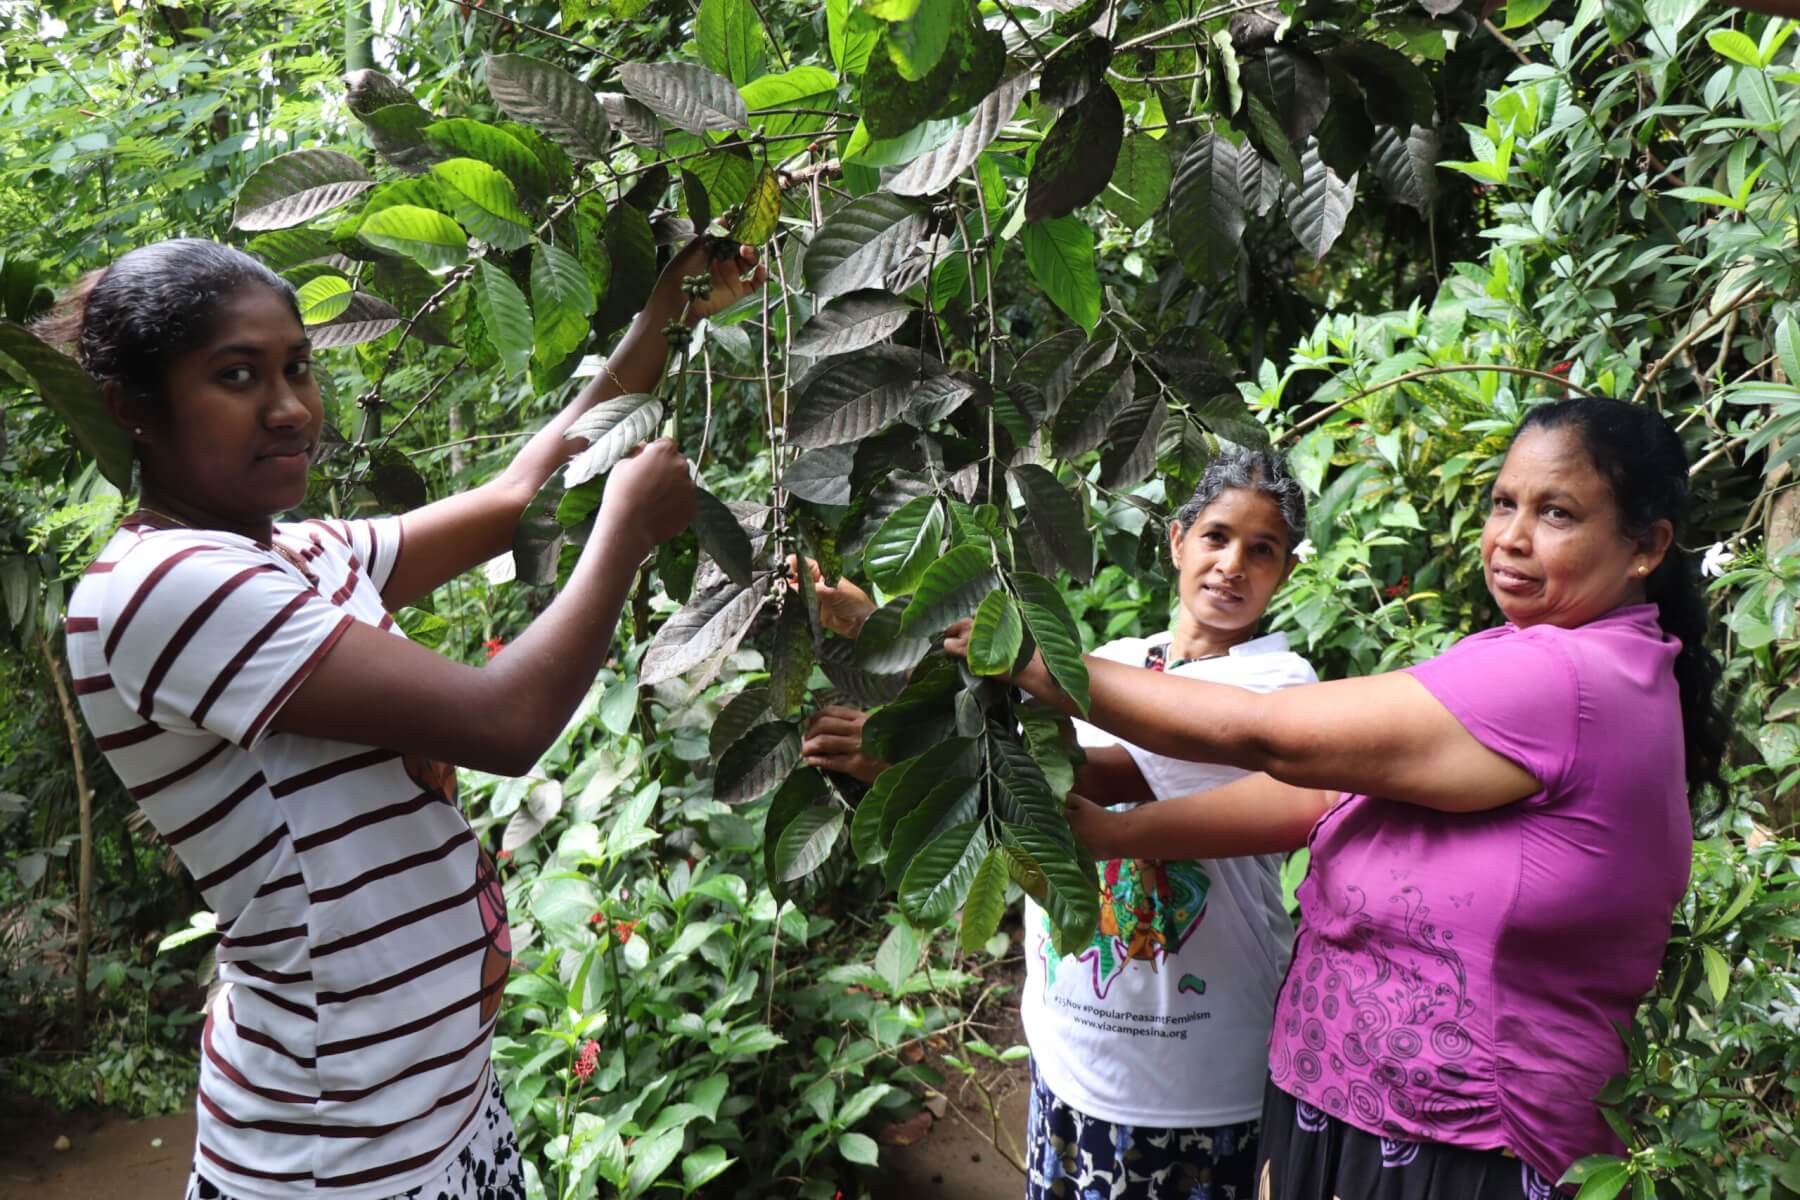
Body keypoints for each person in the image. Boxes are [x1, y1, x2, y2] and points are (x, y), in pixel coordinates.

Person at [44, 236, 764, 1200]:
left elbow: (520, 497)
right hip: (335, 1149)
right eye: (237, 375)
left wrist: (665, 312)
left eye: (297, 365)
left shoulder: (297, 552)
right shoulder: (161, 585)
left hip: (436, 1106)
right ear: (133, 406)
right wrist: (625, 532)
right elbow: (504, 722)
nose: (290, 405)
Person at [944, 398, 1725, 1199]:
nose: (1512, 537)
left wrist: (1041, 664)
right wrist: (1111, 831)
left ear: (1646, 547)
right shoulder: (1531, 654)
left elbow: (1272, 736)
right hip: (1363, 1115)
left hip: (1452, 1143)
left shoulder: (1565, 679)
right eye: (1503, 503)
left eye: (1556, 512)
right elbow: (1320, 792)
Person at [801, 450, 1320, 1200]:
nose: (1233, 564)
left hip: (1197, 1082)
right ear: (1176, 541)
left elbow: (1094, 773)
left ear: (1283, 574)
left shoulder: (1277, 690)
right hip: (1072, 1058)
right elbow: (1017, 783)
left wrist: (892, 735)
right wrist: (881, 642)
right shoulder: (1108, 666)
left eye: (1261, 550)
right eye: (1216, 537)